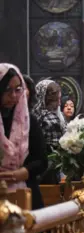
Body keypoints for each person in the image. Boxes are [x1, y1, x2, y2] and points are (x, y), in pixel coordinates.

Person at [0, 63, 48, 209]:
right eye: (7, 90)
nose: (13, 96)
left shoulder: (28, 120)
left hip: (26, 191)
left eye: (18, 89)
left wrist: (20, 173)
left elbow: (41, 160)